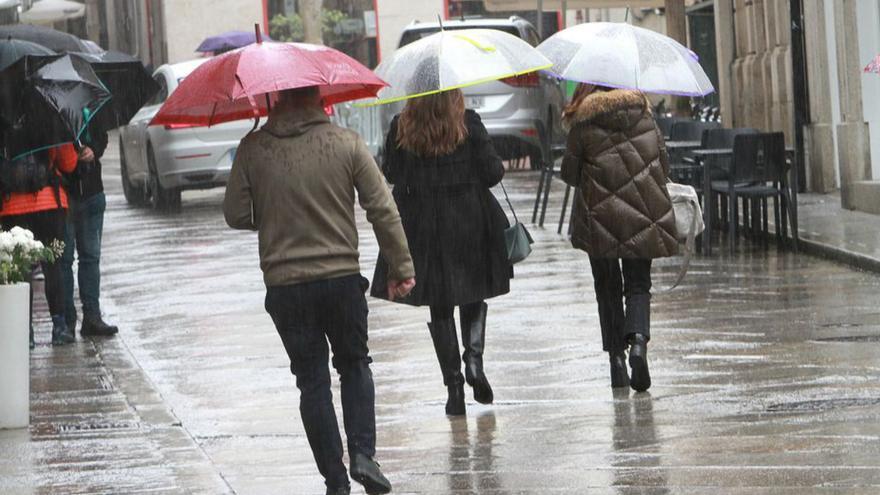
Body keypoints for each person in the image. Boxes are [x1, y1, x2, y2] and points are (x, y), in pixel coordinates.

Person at [223, 86, 414, 495]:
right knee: (355, 364)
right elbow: (382, 207)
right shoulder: (346, 143)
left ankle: (335, 480)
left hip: (286, 288)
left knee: (312, 382)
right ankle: (364, 453)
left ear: (275, 101)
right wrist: (401, 266)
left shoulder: (254, 149)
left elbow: (236, 213)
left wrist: (277, 211)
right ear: (319, 99)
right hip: (340, 279)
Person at [371, 89, 511, 416]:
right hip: (469, 219)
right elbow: (493, 173)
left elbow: (391, 173)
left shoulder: (402, 125)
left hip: (422, 224)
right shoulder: (468, 122)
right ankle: (474, 362)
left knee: (440, 303)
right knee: (473, 293)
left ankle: (455, 387)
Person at [560, 84, 678, 393]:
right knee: (638, 285)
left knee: (607, 288)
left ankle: (616, 360)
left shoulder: (583, 123)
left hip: (599, 220)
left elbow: (569, 174)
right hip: (643, 215)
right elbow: (663, 166)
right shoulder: (645, 116)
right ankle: (638, 342)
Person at [0, 143, 79, 347]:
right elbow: (69, 164)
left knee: (20, 271)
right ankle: (59, 327)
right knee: (54, 266)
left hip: (12, 208)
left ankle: (25, 332)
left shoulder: (5, 121)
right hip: (49, 206)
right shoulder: (50, 117)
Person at [60, 122, 119, 337]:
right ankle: (66, 321)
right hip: (62, 195)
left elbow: (102, 137)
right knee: (63, 260)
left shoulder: (90, 105)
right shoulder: (48, 112)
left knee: (91, 257)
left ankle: (92, 316)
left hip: (92, 192)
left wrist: (93, 148)